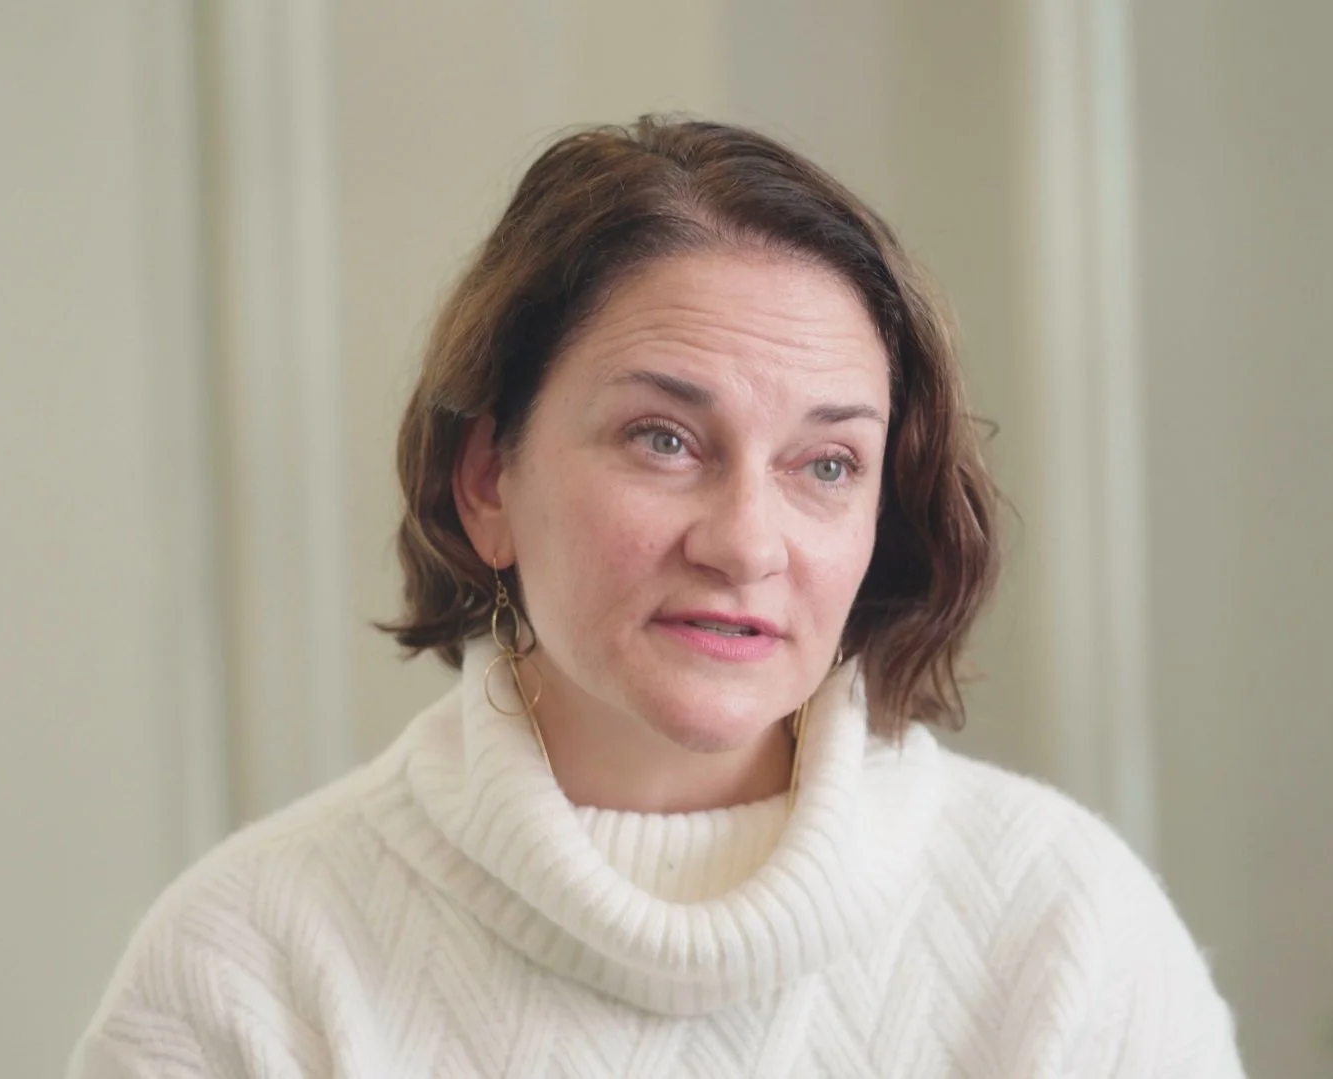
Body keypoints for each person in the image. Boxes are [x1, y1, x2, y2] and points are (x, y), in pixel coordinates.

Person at [69, 116, 1246, 1078]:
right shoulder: (247, 963)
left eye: (825, 463)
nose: (746, 541)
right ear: (487, 477)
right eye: (663, 438)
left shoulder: (1064, 928)